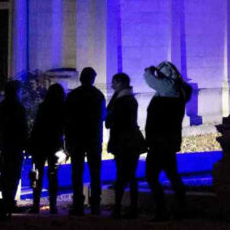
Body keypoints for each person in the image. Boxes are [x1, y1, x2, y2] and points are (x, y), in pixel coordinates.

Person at [143, 62, 191, 220]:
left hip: (160, 141)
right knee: (172, 175)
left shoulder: (169, 89)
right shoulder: (174, 91)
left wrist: (150, 72)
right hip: (167, 141)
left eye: (162, 76)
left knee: (151, 176)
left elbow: (150, 80)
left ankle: (163, 211)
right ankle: (182, 208)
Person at [65, 67, 106, 216]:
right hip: (93, 138)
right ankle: (95, 203)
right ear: (93, 79)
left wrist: (67, 140)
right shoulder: (98, 95)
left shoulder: (73, 96)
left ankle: (78, 204)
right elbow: (102, 116)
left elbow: (67, 119)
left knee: (77, 172)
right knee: (95, 172)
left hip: (76, 138)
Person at [106, 72, 144, 219]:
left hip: (123, 143)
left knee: (122, 176)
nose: (112, 85)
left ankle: (119, 208)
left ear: (120, 83)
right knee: (129, 176)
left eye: (114, 82)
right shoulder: (129, 99)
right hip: (131, 142)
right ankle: (130, 208)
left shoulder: (121, 101)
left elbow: (111, 122)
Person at [27, 83, 65, 214]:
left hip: (40, 144)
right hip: (55, 145)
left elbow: (37, 126)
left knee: (36, 174)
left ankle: (35, 203)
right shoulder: (62, 109)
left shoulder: (43, 107)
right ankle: (53, 205)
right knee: (53, 175)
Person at [0, 82, 28, 219]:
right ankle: (9, 200)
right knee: (14, 174)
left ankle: (6, 200)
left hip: (5, 145)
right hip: (15, 145)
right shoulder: (19, 108)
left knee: (6, 173)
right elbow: (23, 128)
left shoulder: (1, 107)